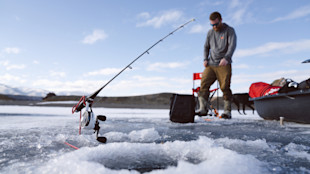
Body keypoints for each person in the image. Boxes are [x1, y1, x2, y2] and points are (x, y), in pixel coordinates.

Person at [196, 11, 237, 119]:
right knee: (203, 84)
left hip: (224, 64)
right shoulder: (210, 33)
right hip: (211, 64)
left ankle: (227, 111)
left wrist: (226, 58)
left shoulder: (229, 30)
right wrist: (205, 59)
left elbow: (232, 46)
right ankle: (202, 109)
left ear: (221, 20)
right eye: (212, 25)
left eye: (216, 24)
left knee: (224, 87)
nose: (214, 27)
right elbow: (206, 47)